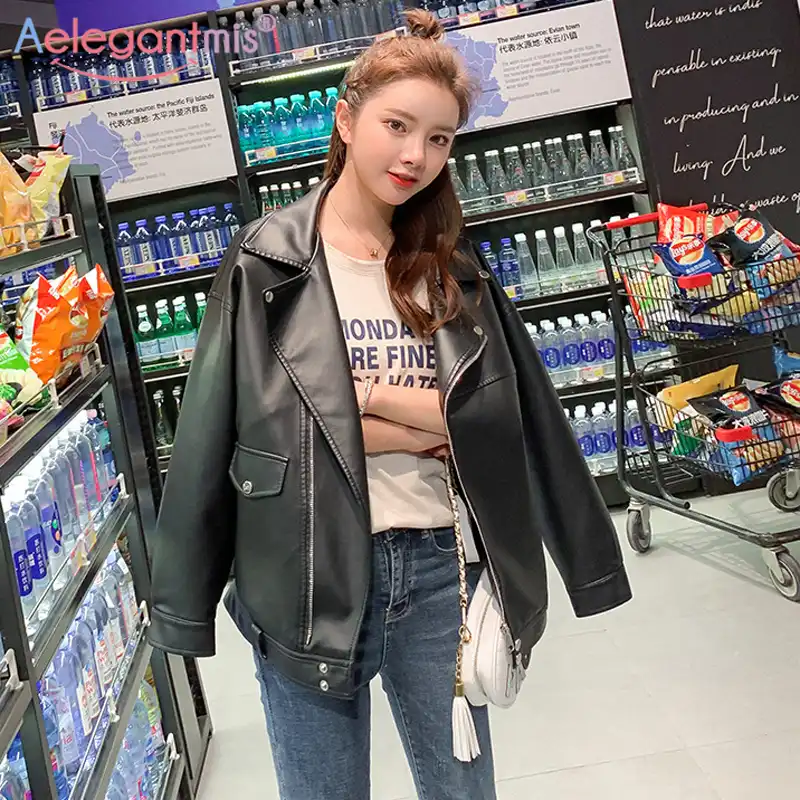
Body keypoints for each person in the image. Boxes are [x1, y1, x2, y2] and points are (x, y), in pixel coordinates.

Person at [147, 10, 631, 800]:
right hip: (304, 576)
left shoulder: (450, 267)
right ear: (346, 120)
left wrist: (362, 405)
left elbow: (505, 419)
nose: (415, 156)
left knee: (463, 790)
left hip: (440, 565)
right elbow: (224, 432)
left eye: (438, 138)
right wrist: (408, 418)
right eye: (397, 126)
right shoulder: (268, 262)